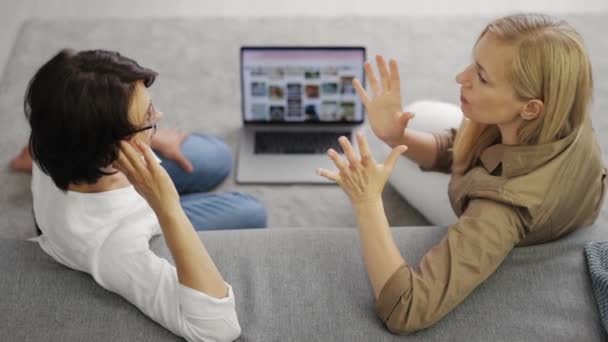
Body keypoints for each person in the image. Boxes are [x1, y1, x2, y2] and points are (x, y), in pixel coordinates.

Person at [317, 13, 607, 334]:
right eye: (474, 64)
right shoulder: (561, 110)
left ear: (530, 108)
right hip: (549, 187)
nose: (460, 77)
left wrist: (367, 202)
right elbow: (465, 146)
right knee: (417, 116)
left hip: (517, 208)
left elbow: (406, 310)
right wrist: (397, 136)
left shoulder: (500, 210)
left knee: (396, 162)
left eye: (481, 77)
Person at [26, 49, 266, 341]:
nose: (160, 115)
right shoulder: (111, 247)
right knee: (251, 211)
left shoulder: (54, 132)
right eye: (149, 117)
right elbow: (218, 330)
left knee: (218, 156)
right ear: (110, 151)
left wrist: (152, 136)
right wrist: (168, 208)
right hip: (135, 213)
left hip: (106, 178)